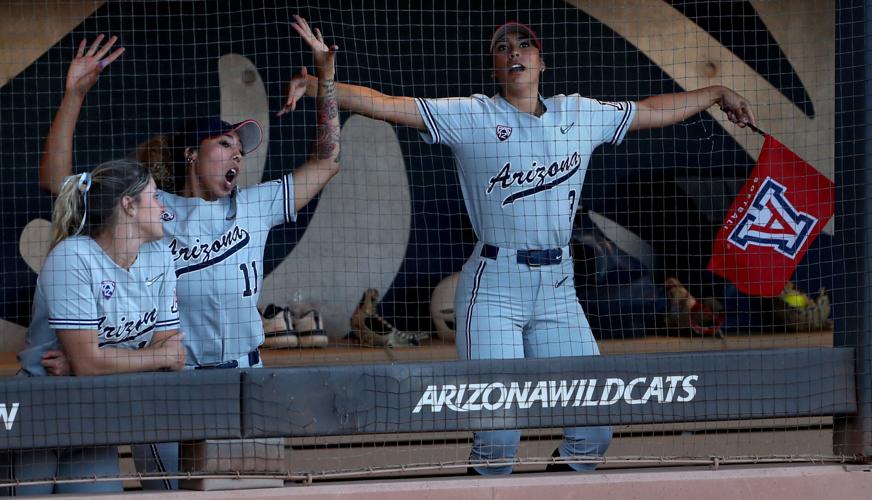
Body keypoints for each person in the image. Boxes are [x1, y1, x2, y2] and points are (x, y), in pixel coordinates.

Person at [284, 21, 756, 475]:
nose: (514, 53)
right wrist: (323, 83)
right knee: (499, 436)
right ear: (495, 69)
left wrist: (715, 93)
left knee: (595, 429)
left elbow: (654, 110)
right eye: (503, 48)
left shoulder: (579, 113)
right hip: (494, 287)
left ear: (541, 62)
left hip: (557, 288)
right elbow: (385, 104)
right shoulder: (472, 115)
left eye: (523, 46)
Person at [35, 16, 340, 488]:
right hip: (174, 379)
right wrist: (73, 95)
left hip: (245, 376)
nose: (238, 154)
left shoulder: (254, 205)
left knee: (252, 492)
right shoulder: (152, 212)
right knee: (169, 493)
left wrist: (327, 82)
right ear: (190, 155)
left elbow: (327, 161)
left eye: (241, 148)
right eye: (224, 143)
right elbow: (63, 186)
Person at [15, 159, 186, 495]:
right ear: (129, 205)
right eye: (154, 197)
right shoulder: (72, 257)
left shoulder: (160, 256)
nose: (163, 207)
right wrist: (91, 362)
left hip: (94, 414)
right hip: (39, 413)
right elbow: (92, 363)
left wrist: (93, 360)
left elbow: (173, 352)